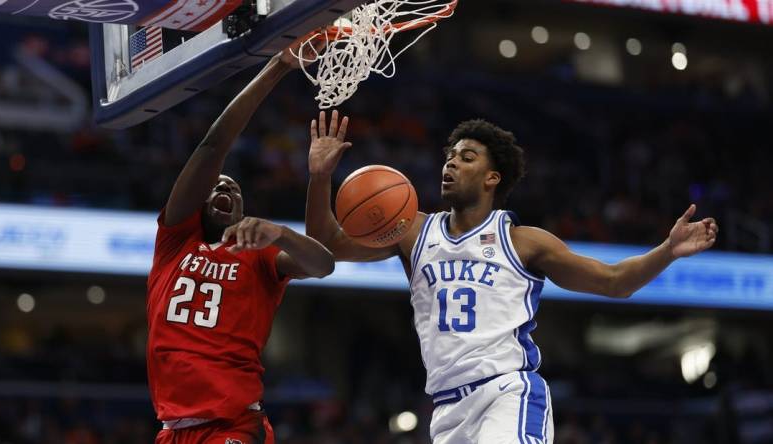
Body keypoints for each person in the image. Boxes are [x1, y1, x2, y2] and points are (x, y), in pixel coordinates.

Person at [305, 111, 719, 444]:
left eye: (466, 158)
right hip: (446, 410)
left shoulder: (524, 242)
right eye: (449, 156)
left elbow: (614, 281)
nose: (450, 163)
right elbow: (325, 243)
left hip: (506, 393)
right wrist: (321, 176)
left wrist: (667, 250)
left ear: (492, 178)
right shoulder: (412, 232)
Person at [146, 42, 334, 444]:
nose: (223, 184)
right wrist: (278, 65)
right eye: (215, 184)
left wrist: (281, 233)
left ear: (242, 208)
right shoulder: (174, 244)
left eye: (233, 186)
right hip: (173, 431)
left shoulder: (260, 256)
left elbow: (323, 264)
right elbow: (212, 147)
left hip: (232, 425)